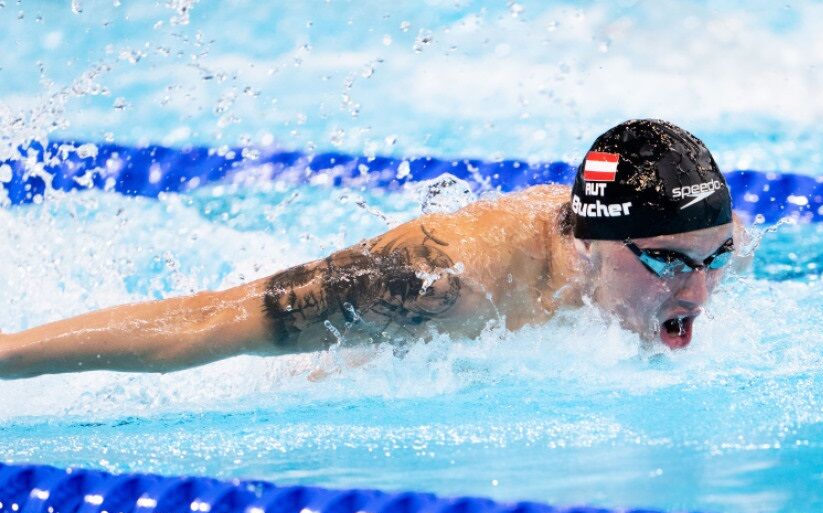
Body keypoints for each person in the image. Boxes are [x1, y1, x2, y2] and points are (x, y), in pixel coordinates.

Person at [0, 119, 744, 380]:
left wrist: (697, 257)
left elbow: (709, 249)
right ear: (590, 241)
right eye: (668, 263)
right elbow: (205, 320)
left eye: (710, 260)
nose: (699, 293)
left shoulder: (715, 244)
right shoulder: (440, 281)